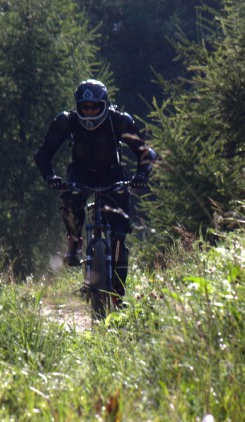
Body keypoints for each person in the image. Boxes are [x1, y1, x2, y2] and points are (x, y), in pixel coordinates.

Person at [34, 79, 156, 301]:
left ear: (104, 105)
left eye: (95, 107)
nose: (90, 113)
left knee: (118, 235)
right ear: (78, 106)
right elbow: (43, 154)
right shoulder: (66, 121)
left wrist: (140, 176)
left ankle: (118, 295)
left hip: (113, 172)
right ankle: (74, 242)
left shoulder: (119, 121)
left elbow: (146, 153)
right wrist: (51, 177)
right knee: (72, 197)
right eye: (85, 107)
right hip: (80, 171)